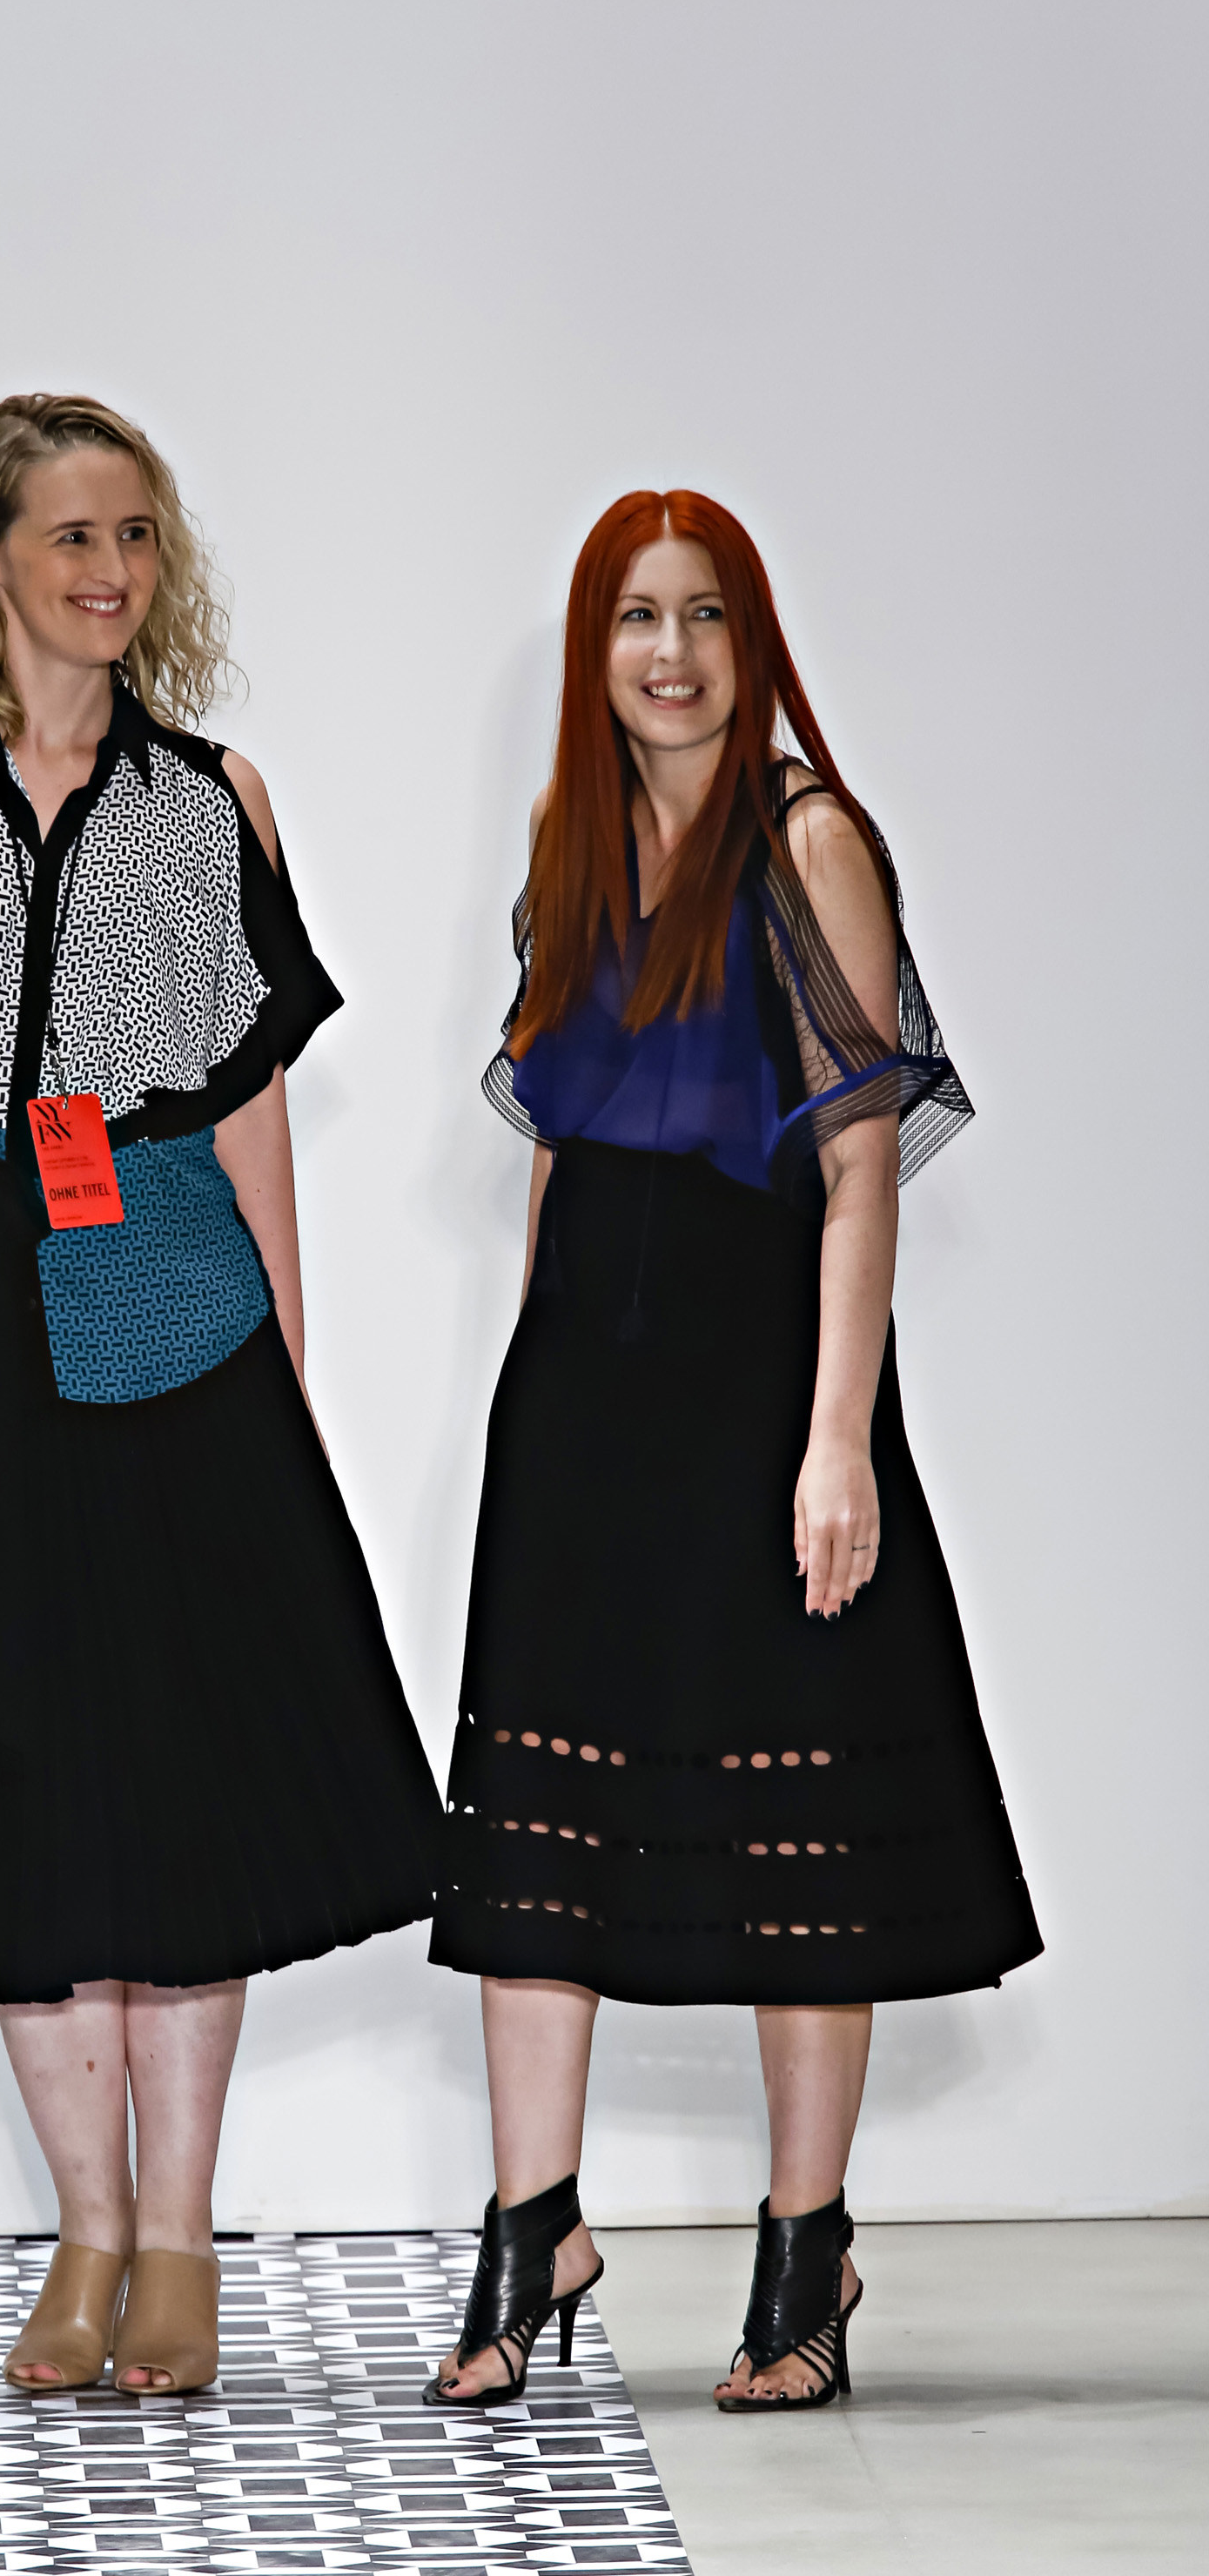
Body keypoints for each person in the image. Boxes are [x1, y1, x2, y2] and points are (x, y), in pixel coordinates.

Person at [0, 392, 440, 2398]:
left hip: (166, 1305)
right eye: (70, 535)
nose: (111, 572)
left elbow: (250, 1101)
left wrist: (287, 1364)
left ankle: (179, 2238)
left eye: (135, 535)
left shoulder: (213, 800)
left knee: (181, 1777)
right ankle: (81, 2230)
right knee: (11, 1773)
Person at [425, 490, 1042, 2413]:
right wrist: (530, 1389)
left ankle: (806, 2247)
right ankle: (532, 2226)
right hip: (581, 1402)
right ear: (593, 647)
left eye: (704, 615)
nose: (671, 652)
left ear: (752, 639)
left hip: (761, 1392)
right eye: (637, 616)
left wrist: (835, 1438)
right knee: (538, 1825)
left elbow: (862, 1169)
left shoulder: (809, 841)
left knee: (798, 1840)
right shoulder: (572, 841)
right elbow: (558, 1140)